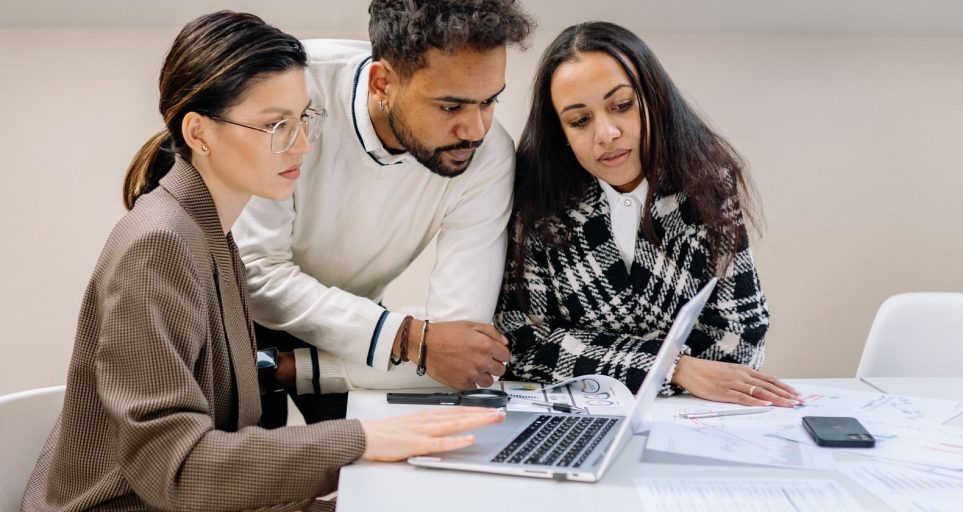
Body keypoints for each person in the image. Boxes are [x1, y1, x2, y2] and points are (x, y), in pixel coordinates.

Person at [21, 12, 503, 512]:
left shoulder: (212, 236)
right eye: (276, 125)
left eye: (304, 120)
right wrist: (362, 440)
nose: (303, 145)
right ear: (199, 133)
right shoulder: (158, 246)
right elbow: (178, 469)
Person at [232, 0, 535, 426]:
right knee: (252, 481)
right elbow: (256, 275)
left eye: (489, 102)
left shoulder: (490, 155)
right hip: (241, 322)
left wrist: (416, 343)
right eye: (450, 107)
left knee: (371, 475)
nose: (476, 130)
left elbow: (458, 349)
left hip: (362, 323)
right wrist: (411, 337)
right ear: (381, 83)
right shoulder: (293, 92)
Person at [495, 21, 802, 407]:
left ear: (653, 100)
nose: (605, 133)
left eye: (621, 106)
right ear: (561, 133)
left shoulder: (708, 185)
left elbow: (742, 341)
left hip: (688, 416)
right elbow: (522, 342)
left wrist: (587, 353)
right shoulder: (535, 201)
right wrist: (673, 366)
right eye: (579, 120)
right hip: (573, 416)